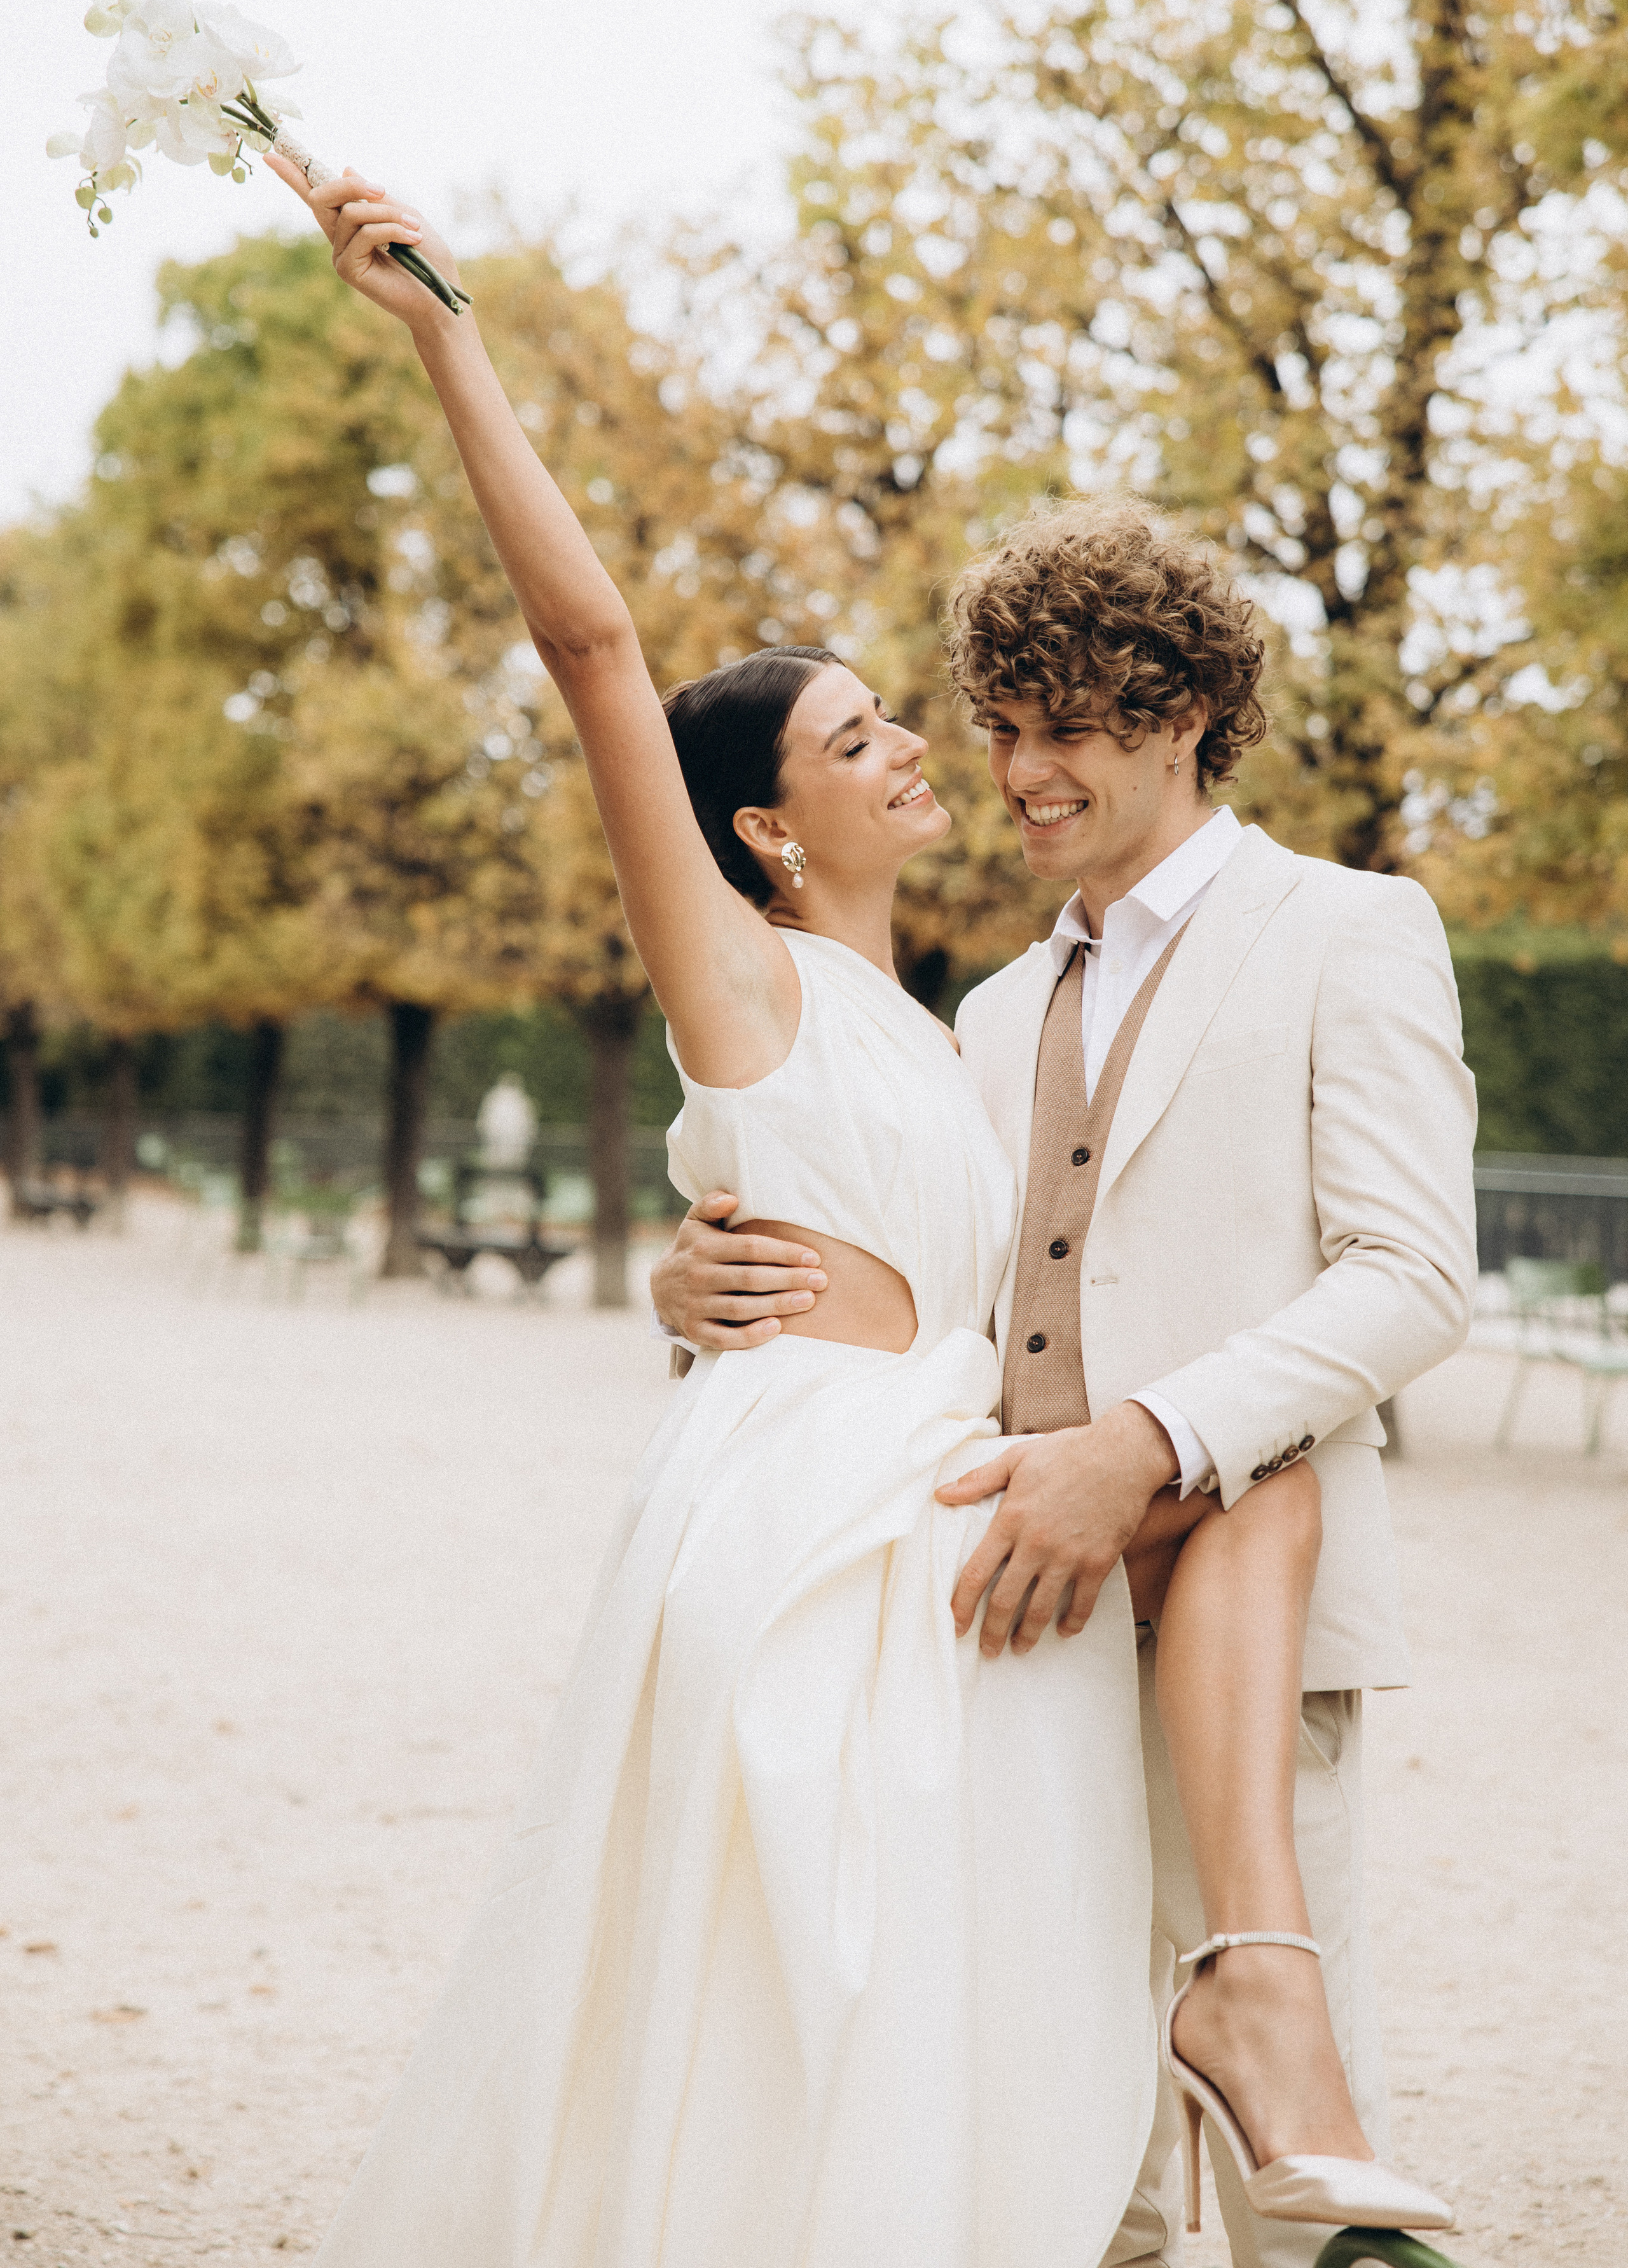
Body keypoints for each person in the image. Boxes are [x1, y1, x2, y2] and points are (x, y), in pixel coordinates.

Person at [269, 161, 1165, 2268]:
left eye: (890, 719)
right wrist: (446, 333)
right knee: (797, 1958)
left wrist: (693, 1280)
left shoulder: (946, 1026)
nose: (911, 752)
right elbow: (593, 650)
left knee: (963, 1960)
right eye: (859, 739)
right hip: (806, 1511)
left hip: (952, 1484)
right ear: (765, 825)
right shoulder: (744, 982)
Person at [653, 498, 1475, 2264]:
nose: (1020, 770)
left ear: (1178, 716)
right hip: (1007, 1650)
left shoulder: (1351, 930)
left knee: (1303, 2184)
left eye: (1067, 726)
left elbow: (1414, 1276)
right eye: (1003, 723)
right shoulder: (997, 1012)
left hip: (1251, 1613)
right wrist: (695, 1281)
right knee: (1052, 2165)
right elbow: (890, 1250)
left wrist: (1150, 1441)